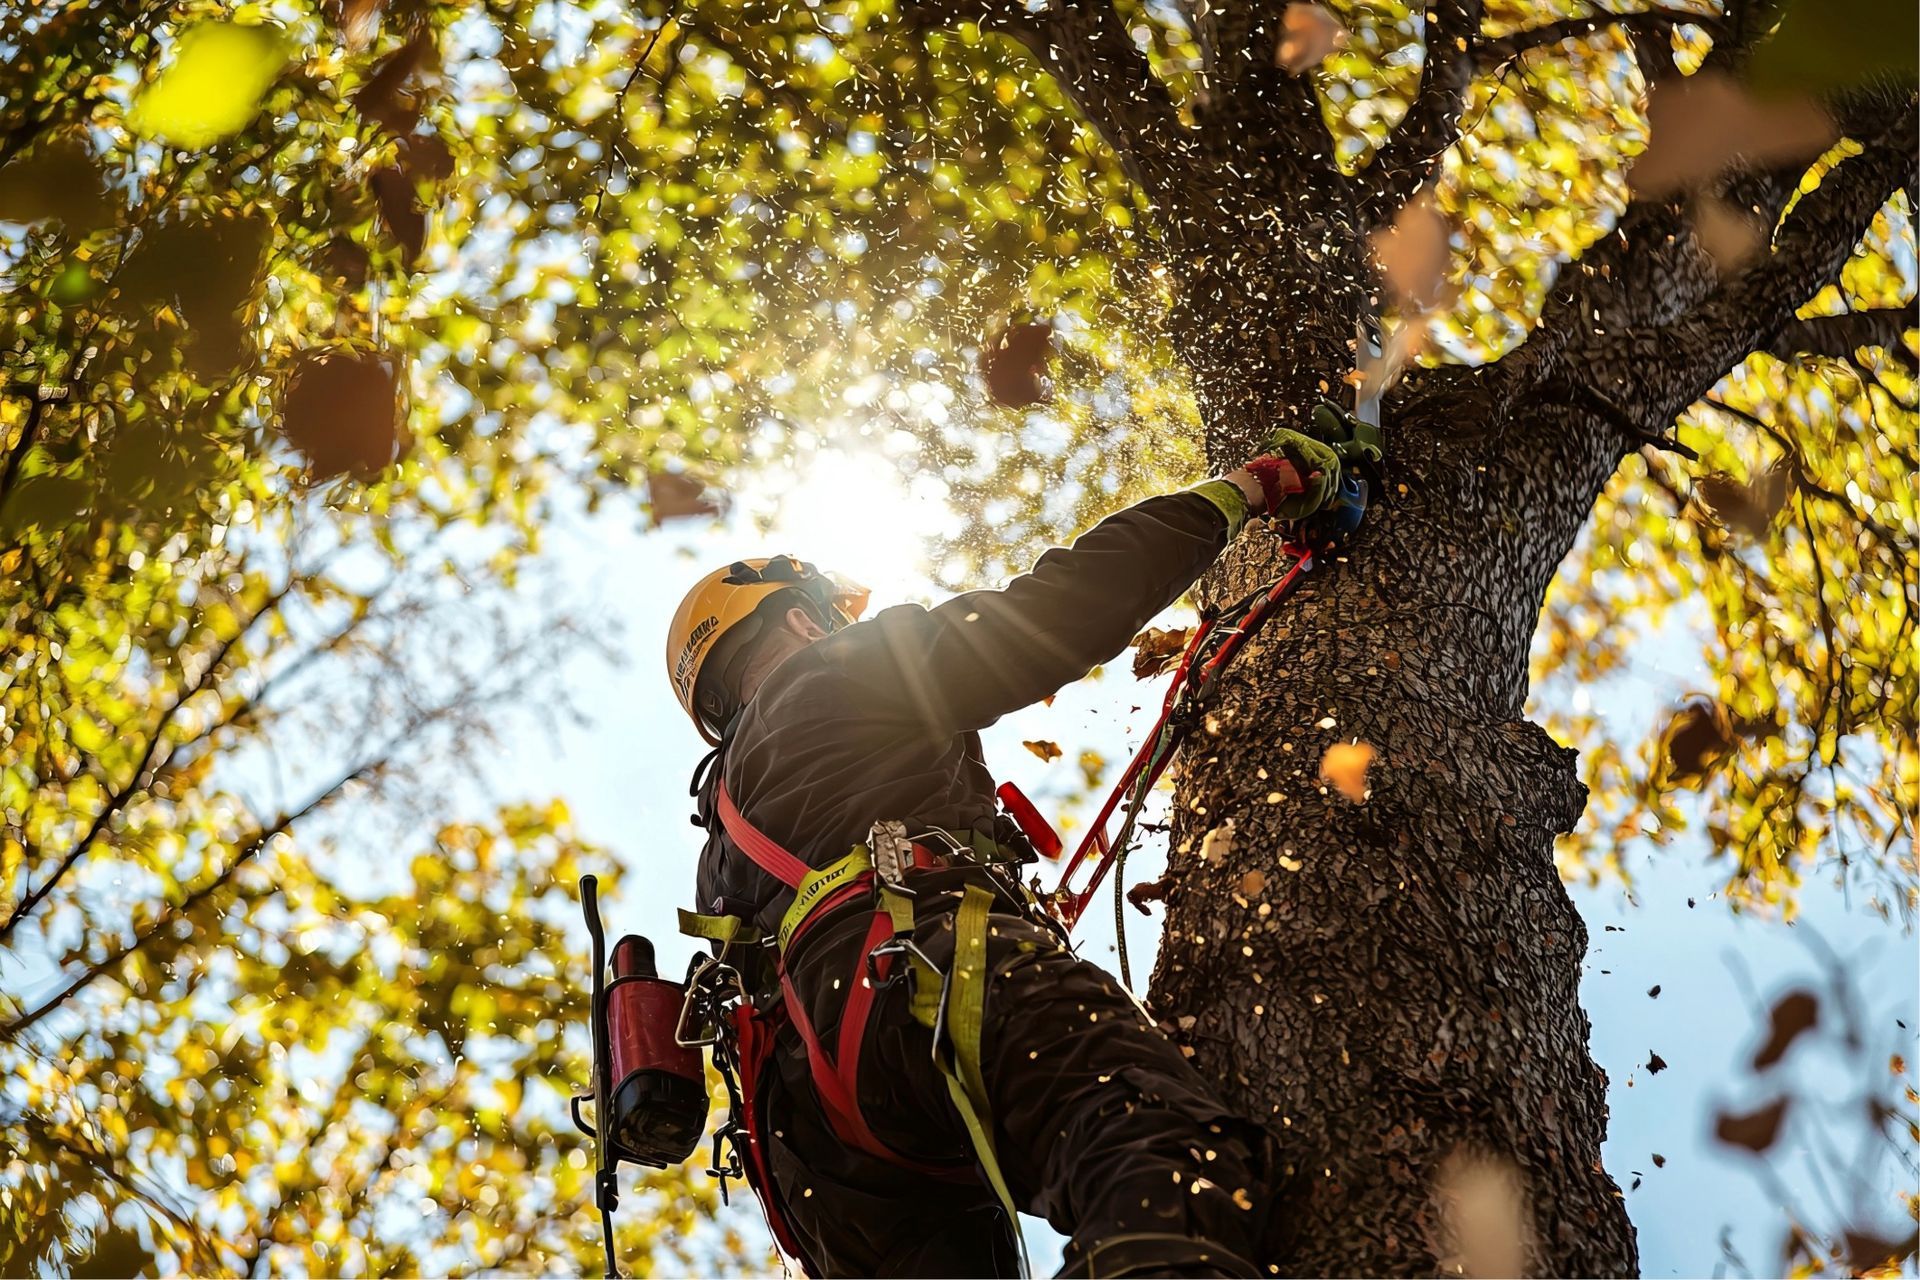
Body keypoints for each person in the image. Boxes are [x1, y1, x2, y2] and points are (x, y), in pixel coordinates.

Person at [664, 422, 1352, 1279]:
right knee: (1157, 1150)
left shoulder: (718, 852)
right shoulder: (831, 671)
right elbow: (1056, 611)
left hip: (818, 1150)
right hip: (916, 973)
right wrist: (1246, 491)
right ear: (803, 618)